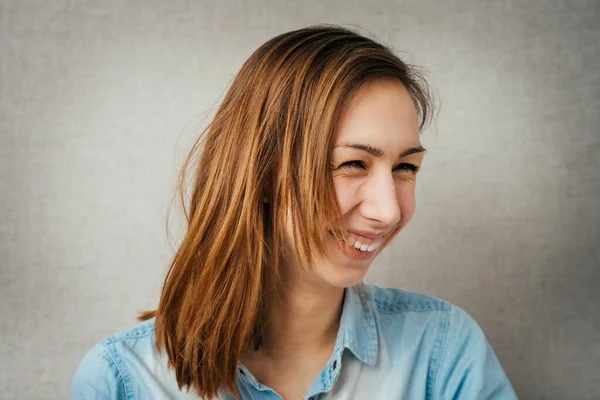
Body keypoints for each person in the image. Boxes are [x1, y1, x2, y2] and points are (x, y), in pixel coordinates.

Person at [71, 25, 517, 400]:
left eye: (405, 168)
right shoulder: (122, 379)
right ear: (261, 173)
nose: (388, 211)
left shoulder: (444, 352)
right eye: (352, 164)